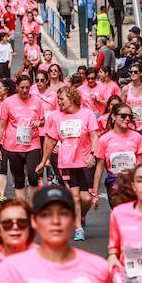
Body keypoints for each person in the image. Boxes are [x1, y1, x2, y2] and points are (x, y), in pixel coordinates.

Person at [36, 86, 99, 241]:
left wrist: (93, 154)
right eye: (58, 99)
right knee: (75, 197)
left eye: (61, 98)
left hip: (85, 162)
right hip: (66, 163)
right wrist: (43, 161)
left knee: (86, 199)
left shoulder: (87, 114)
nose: (58, 101)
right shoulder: (56, 116)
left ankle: (81, 216)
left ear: (72, 98)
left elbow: (94, 136)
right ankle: (78, 228)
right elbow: (51, 141)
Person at [0, 74, 44, 202]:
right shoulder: (8, 102)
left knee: (33, 176)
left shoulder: (37, 101)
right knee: (19, 179)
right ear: (16, 87)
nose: (25, 90)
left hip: (32, 143)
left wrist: (39, 122)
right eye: (22, 87)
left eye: (27, 87)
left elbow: (43, 120)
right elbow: (1, 125)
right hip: (13, 145)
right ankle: (23, 207)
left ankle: (32, 207)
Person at [92, 103, 142, 210]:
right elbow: (99, 167)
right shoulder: (104, 139)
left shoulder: (137, 137)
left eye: (130, 116)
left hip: (134, 183)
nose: (127, 119)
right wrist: (95, 193)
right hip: (114, 184)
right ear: (113, 116)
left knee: (134, 214)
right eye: (123, 116)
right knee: (119, 214)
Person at [122, 62, 142, 149]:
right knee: (131, 148)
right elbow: (121, 108)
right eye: (131, 72)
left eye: (135, 72)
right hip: (130, 124)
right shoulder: (125, 89)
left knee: (140, 149)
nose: (133, 74)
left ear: (140, 73)